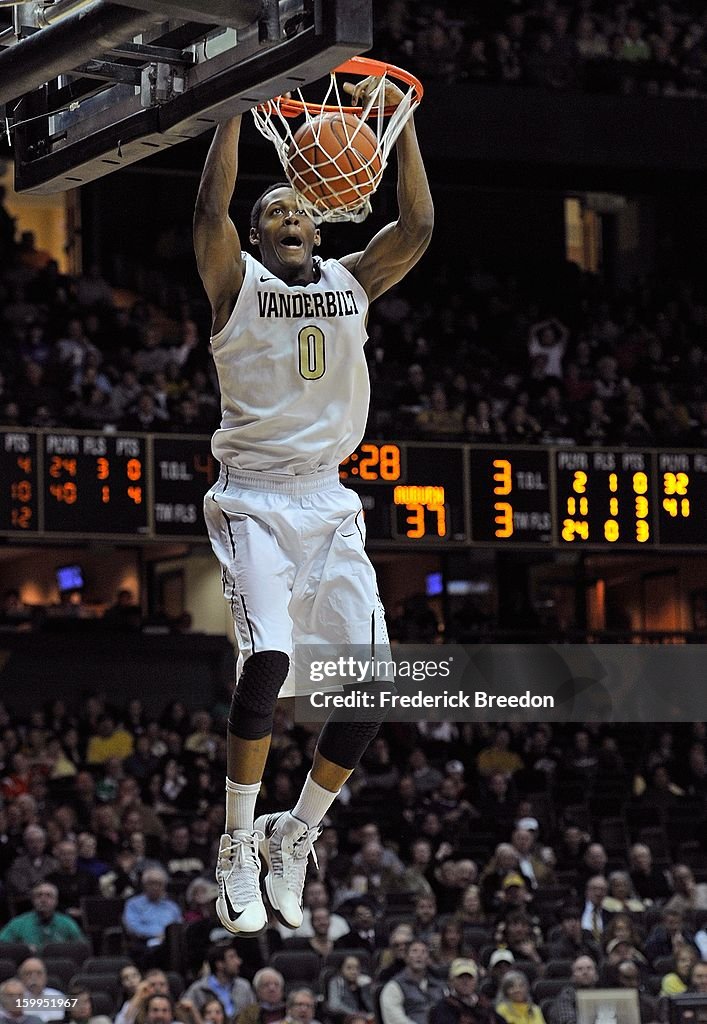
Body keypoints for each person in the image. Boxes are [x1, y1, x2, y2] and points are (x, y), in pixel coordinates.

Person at [193, 71, 433, 936]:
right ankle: (234, 845)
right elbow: (207, 218)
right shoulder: (236, 287)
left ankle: (294, 835)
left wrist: (398, 123)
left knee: (371, 685)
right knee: (268, 665)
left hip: (329, 502)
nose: (289, 218)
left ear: (320, 224)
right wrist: (225, 113)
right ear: (257, 237)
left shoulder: (351, 281)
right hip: (254, 500)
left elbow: (417, 227)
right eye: (274, 214)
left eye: (299, 209)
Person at [0, 882, 89, 947]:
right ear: (33, 900)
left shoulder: (67, 923)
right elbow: (2, 945)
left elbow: (82, 947)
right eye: (39, 895)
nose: (43, 900)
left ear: (56, 901)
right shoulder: (18, 923)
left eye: (49, 895)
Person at [379, 940, 446, 1024]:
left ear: (428, 959)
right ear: (406, 957)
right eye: (414, 951)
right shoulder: (394, 986)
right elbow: (394, 1019)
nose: (419, 955)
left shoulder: (439, 985)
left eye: (423, 952)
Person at [181, 944, 256, 1018]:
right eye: (232, 957)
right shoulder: (198, 989)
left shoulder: (243, 987)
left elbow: (254, 1015)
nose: (238, 962)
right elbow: (183, 1013)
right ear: (219, 964)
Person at [429, 959, 498, 1024]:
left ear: (476, 981)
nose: (465, 982)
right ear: (451, 981)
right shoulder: (442, 1009)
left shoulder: (485, 1005)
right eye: (460, 977)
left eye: (470, 977)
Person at [325, 955, 374, 1021]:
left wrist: (366, 988)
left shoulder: (365, 982)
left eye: (357, 968)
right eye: (349, 968)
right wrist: (356, 1014)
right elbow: (334, 1004)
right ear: (341, 969)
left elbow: (372, 1006)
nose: (354, 972)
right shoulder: (337, 982)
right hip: (347, 1019)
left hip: (368, 1018)